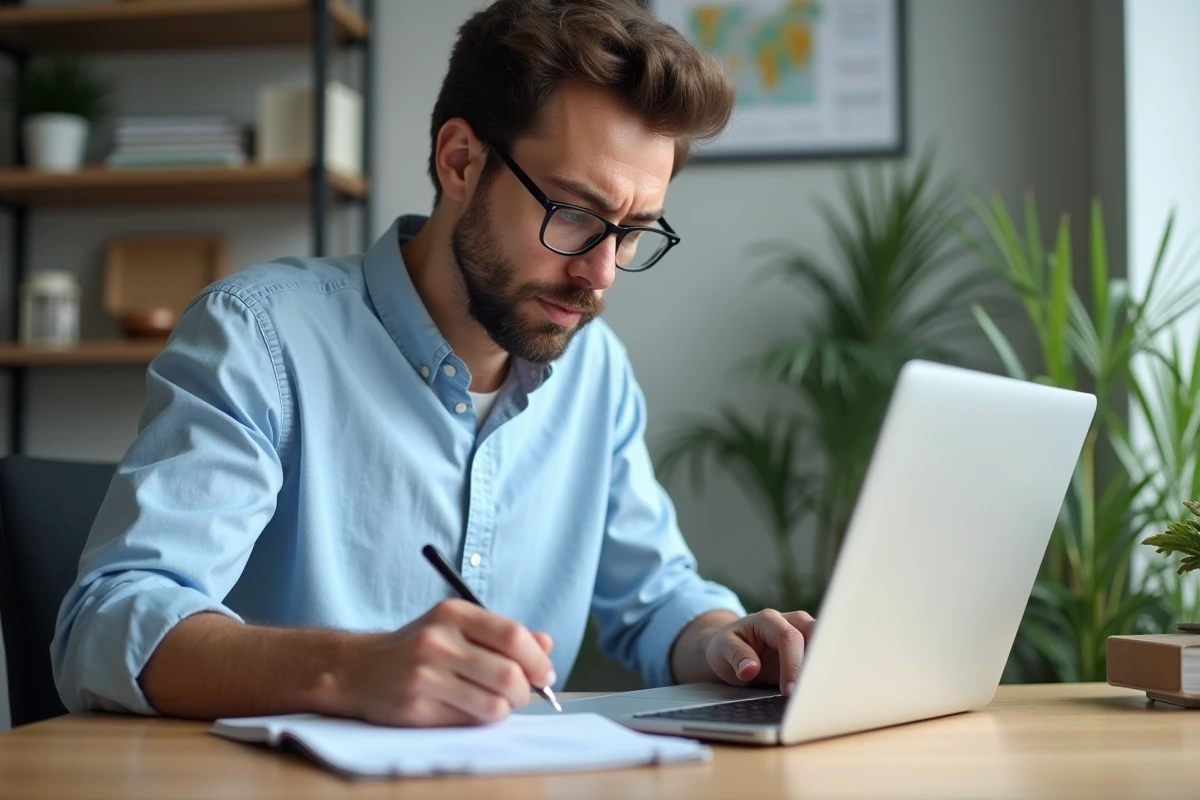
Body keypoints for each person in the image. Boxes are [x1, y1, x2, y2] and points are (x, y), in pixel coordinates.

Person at [52, 0, 814, 727]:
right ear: (459, 161)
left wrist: (729, 640)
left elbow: (656, 598)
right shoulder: (259, 336)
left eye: (633, 232)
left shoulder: (597, 373)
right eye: (575, 215)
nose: (602, 273)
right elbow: (105, 626)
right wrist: (349, 671)